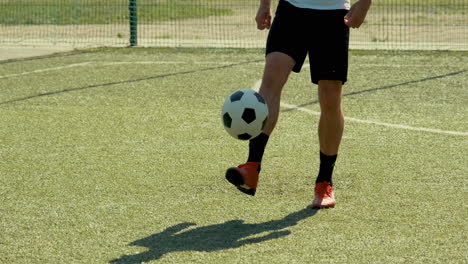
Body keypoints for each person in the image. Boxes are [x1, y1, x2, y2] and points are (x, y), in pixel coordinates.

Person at [225, 0, 371, 208]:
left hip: (333, 14)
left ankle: (324, 182)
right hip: (291, 10)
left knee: (330, 98)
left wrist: (365, 3)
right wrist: (265, 4)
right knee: (270, 81)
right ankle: (251, 166)